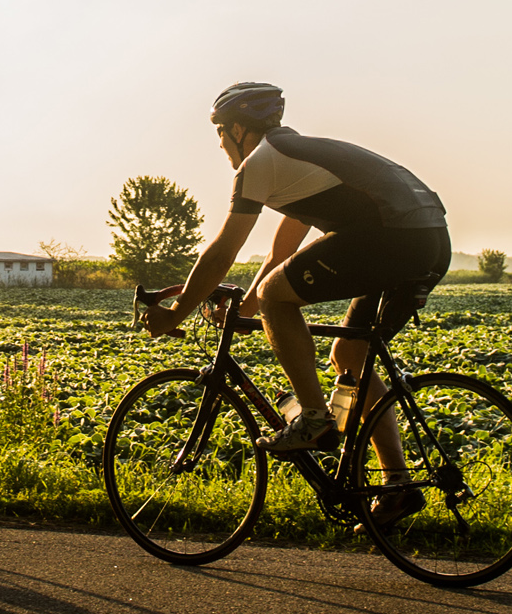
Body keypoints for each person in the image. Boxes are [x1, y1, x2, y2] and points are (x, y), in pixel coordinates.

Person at [143, 82, 450, 526]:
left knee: (275, 295)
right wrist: (245, 308)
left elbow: (224, 249)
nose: (222, 146)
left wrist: (177, 312)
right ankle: (397, 484)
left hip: (391, 238)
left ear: (237, 130)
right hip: (428, 240)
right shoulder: (302, 162)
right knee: (350, 355)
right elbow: (280, 254)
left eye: (220, 135)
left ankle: (313, 418)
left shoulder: (261, 162)